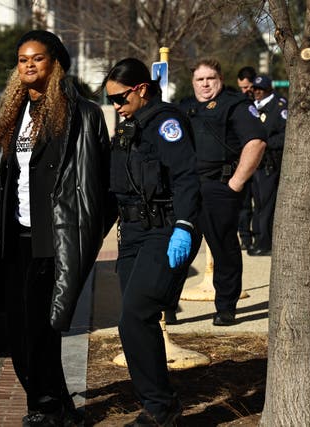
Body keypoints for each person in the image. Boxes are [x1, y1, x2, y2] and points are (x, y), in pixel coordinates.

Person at [0, 30, 114, 426]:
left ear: (54, 64)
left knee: (41, 331)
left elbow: (101, 189)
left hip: (54, 240)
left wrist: (83, 236)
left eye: (37, 58)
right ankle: (61, 409)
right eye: (22, 59)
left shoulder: (82, 115)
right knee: (17, 333)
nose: (29, 65)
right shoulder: (15, 113)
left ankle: (45, 408)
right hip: (16, 237)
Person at [103, 58, 201, 426]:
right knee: (133, 320)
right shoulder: (131, 126)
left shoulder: (167, 124)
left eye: (119, 97)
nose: (115, 105)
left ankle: (159, 406)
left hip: (165, 229)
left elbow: (187, 177)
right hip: (133, 233)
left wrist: (185, 225)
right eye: (110, 98)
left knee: (135, 315)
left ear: (141, 88)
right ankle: (158, 401)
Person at [179, 58, 266, 326]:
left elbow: (256, 142)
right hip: (188, 187)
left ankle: (226, 307)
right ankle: (167, 304)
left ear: (220, 79)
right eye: (200, 79)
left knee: (223, 248)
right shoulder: (184, 107)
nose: (205, 84)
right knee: (178, 246)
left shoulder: (235, 105)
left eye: (210, 79)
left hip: (219, 187)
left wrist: (236, 183)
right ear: (193, 82)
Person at [248, 74, 288, 256]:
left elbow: (285, 135)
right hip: (253, 162)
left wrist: (264, 144)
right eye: (254, 89)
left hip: (269, 162)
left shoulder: (279, 106)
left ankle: (264, 242)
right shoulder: (251, 107)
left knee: (266, 204)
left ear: (268, 90)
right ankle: (257, 237)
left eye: (260, 90)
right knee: (256, 203)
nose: (256, 92)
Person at [236, 66, 257, 250]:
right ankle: (245, 237)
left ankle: (260, 236)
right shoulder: (238, 105)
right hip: (243, 162)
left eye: (248, 87)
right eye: (242, 88)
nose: (245, 91)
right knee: (243, 206)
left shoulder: (265, 101)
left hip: (264, 165)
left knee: (262, 204)